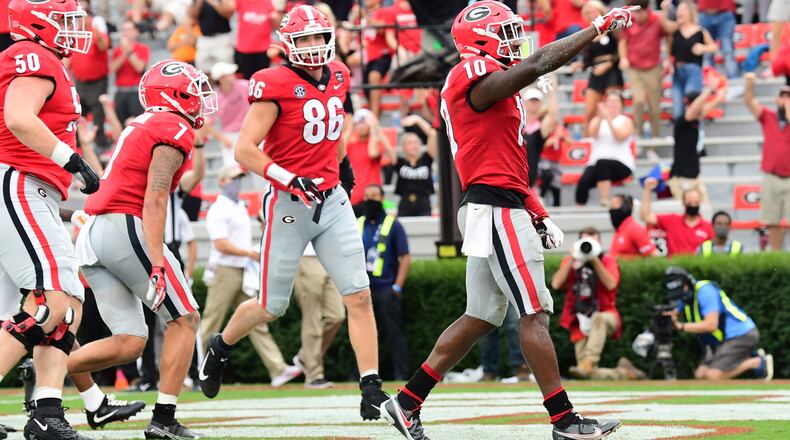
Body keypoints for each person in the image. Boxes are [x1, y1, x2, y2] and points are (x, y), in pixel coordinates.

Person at [379, 2, 635, 439]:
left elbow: (504, 166)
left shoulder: (492, 87)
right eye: (506, 32)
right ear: (480, 40)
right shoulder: (470, 73)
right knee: (533, 313)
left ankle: (406, 402)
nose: (515, 42)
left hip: (496, 203)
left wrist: (536, 211)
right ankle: (564, 420)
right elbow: (535, 63)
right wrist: (594, 29)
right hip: (495, 207)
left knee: (481, 316)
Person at [198, 5, 390, 422]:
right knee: (271, 305)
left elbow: (333, 129)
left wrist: (344, 166)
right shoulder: (273, 82)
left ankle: (371, 385)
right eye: (303, 39)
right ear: (288, 43)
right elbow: (245, 148)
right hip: (288, 204)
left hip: (332, 200)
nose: (312, 45)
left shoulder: (339, 75)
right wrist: (288, 177)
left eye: (318, 37)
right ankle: (222, 346)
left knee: (358, 295)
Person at [70, 60, 217, 439]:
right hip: (126, 225)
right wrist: (156, 260)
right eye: (193, 93)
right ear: (173, 96)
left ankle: (44, 367)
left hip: (97, 231)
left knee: (129, 342)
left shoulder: (144, 122)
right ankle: (164, 419)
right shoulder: (173, 126)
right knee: (185, 319)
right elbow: (155, 196)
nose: (200, 102)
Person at [0, 0, 100, 438]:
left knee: (61, 305)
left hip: (31, 186)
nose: (71, 29)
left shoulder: (45, 59)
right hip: (20, 181)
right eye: (63, 20)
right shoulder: (34, 54)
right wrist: (72, 160)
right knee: (49, 302)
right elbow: (18, 117)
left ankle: (47, 409)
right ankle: (47, 410)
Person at [200, 165, 303, 387]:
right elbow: (221, 244)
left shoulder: (238, 206)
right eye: (234, 178)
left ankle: (278, 369)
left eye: (240, 178)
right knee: (212, 320)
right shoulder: (219, 208)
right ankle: (198, 370)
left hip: (242, 268)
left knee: (255, 320)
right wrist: (250, 253)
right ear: (222, 182)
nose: (238, 181)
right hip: (226, 269)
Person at [552, 228, 644, 381]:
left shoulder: (608, 260)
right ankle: (624, 373)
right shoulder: (572, 261)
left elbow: (611, 284)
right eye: (585, 241)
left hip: (606, 314)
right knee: (587, 373)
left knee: (599, 319)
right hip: (579, 318)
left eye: (592, 241)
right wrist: (572, 258)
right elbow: (556, 284)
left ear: (599, 243)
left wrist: (594, 260)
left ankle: (589, 360)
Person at [663, 267, 773, 381]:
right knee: (700, 375)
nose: (680, 296)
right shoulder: (685, 297)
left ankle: (757, 362)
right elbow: (674, 313)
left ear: (687, 283)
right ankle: (743, 357)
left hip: (742, 335)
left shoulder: (705, 291)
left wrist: (681, 326)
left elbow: (711, 325)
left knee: (712, 376)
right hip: (723, 341)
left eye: (681, 291)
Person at [359, 184, 411, 380]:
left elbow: (405, 256)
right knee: (364, 335)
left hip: (386, 288)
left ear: (382, 198)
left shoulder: (393, 224)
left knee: (393, 333)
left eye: (374, 196)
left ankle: (401, 373)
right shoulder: (358, 224)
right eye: (367, 196)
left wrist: (397, 287)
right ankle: (364, 374)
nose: (370, 200)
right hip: (364, 290)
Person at [743, 73, 790, 251]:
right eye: (782, 96)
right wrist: (749, 85)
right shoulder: (769, 117)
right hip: (772, 176)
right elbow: (750, 102)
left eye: (788, 97)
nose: (785, 100)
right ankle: (776, 257)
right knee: (772, 222)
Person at [293, 242, 346, 389]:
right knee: (312, 319)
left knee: (337, 316)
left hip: (331, 256)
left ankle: (305, 357)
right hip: (307, 256)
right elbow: (265, 220)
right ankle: (314, 375)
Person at [667, 79, 726, 205]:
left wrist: (720, 92)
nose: (702, 107)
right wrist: (708, 91)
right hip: (681, 178)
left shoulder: (696, 119)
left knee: (705, 209)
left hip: (695, 176)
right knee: (686, 212)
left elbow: (713, 103)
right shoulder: (682, 121)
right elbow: (693, 110)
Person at [618, 0, 671, 138]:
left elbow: (668, 37)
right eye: (635, 12)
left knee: (654, 106)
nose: (637, 15)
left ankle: (655, 138)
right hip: (634, 67)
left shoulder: (657, 20)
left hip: (653, 68)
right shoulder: (629, 21)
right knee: (638, 100)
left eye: (640, 12)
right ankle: (638, 135)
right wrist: (623, 57)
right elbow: (623, 41)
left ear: (647, 10)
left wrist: (669, 58)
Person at [575, 92, 635, 207]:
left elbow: (620, 137)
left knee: (602, 163)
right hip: (596, 163)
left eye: (616, 101)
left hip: (621, 162)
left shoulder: (626, 120)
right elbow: (592, 134)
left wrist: (608, 119)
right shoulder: (597, 120)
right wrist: (600, 117)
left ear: (622, 105)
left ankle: (604, 200)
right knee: (583, 181)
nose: (613, 104)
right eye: (610, 101)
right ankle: (579, 208)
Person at [663, 0, 718, 119]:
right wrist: (665, 10)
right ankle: (679, 133)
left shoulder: (699, 31)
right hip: (677, 71)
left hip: (693, 70)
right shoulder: (675, 30)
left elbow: (713, 46)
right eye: (678, 10)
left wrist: (703, 48)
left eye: (683, 10)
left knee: (692, 100)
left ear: (690, 13)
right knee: (677, 106)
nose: (679, 13)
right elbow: (665, 25)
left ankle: (695, 131)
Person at [576, 1, 625, 134]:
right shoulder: (587, 33)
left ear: (601, 11)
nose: (591, 14)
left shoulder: (612, 28)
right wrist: (581, 64)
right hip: (596, 72)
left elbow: (621, 50)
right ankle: (587, 142)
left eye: (594, 11)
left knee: (614, 108)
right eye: (588, 12)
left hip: (612, 71)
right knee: (589, 112)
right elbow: (588, 58)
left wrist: (608, 64)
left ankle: (618, 136)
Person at [68, 0, 111, 150]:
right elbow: (70, 60)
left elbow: (103, 46)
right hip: (80, 81)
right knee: (78, 114)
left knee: (98, 115)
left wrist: (93, 28)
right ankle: (79, 145)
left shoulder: (96, 32)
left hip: (96, 81)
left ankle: (101, 145)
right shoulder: (76, 35)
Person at [641, 179, 714, 256]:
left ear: (700, 202)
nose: (693, 205)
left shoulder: (707, 227)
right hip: (674, 265)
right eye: (690, 202)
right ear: (683, 202)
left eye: (695, 203)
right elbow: (646, 216)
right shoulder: (672, 220)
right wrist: (648, 189)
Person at [345, 108, 396, 209]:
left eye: (364, 122)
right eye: (358, 123)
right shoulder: (351, 145)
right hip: (354, 196)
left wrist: (374, 129)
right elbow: (339, 150)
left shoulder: (375, 142)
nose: (362, 126)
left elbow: (372, 153)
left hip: (373, 195)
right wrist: (350, 127)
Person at [206, 62, 250, 165]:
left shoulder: (245, 86)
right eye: (229, 74)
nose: (233, 75)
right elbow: (205, 122)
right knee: (233, 173)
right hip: (230, 137)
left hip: (250, 131)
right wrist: (222, 138)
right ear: (221, 78)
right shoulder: (215, 99)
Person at [394, 114, 436, 216]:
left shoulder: (427, 159)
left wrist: (418, 120)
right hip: (404, 204)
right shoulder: (399, 161)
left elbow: (433, 134)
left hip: (424, 203)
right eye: (410, 143)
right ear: (403, 147)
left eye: (416, 142)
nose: (414, 145)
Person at [478, 304, 532, 382]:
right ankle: (489, 370)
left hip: (512, 292)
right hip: (486, 292)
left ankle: (521, 367)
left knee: (514, 326)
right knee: (486, 328)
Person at [110, 20, 150, 124]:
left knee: (138, 123)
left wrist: (129, 52)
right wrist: (124, 53)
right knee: (119, 122)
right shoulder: (118, 50)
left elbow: (139, 67)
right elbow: (112, 68)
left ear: (136, 32)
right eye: (124, 30)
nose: (126, 33)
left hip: (135, 92)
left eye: (129, 30)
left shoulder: (142, 48)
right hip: (120, 91)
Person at [523, 86, 558, 189]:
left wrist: (552, 93)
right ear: (525, 103)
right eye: (531, 101)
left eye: (536, 101)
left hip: (530, 175)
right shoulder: (519, 123)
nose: (534, 103)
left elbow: (552, 116)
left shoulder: (541, 126)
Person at [234, 0, 278, 80]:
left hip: (263, 49)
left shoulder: (267, 2)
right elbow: (228, 9)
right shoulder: (240, 1)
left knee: (263, 79)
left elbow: (276, 23)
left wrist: (275, 17)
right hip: (245, 49)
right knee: (246, 80)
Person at [189, 0, 235, 73]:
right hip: (205, 38)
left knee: (226, 68)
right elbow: (192, 16)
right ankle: (209, 84)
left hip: (222, 38)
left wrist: (213, 2)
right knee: (202, 68)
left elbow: (228, 14)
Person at [697, 0, 738, 79]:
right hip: (705, 13)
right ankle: (707, 79)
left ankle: (733, 79)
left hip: (725, 12)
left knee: (728, 50)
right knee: (706, 53)